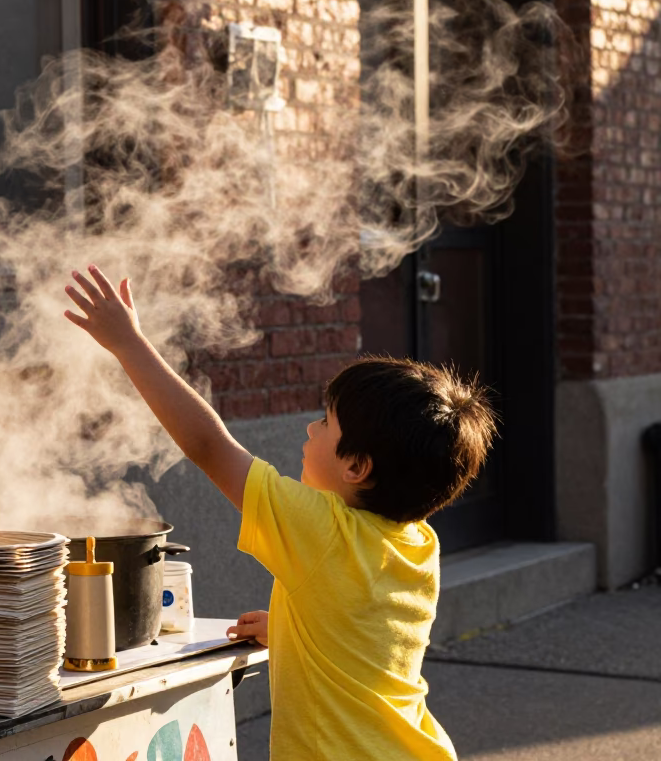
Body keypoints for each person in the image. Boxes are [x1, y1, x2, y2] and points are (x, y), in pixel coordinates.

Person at [64, 264, 496, 760]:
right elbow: (367, 637)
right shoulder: (417, 540)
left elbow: (208, 445)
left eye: (324, 423)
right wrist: (299, 630)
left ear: (356, 466)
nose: (310, 431)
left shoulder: (321, 529)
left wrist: (128, 345)